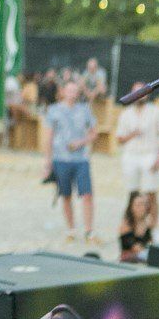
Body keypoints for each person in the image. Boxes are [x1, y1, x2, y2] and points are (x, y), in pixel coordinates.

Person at [42, 79, 99, 243]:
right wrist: (47, 161)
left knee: (87, 194)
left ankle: (89, 231)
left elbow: (94, 133)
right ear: (63, 92)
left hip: (81, 159)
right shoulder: (53, 110)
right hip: (61, 159)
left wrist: (81, 142)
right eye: (69, 90)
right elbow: (48, 137)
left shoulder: (85, 109)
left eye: (75, 90)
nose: (72, 94)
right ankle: (71, 230)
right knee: (66, 195)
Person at [115, 83, 159, 199]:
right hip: (131, 155)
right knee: (132, 193)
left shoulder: (156, 111)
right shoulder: (126, 114)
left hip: (150, 154)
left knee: (151, 193)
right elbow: (120, 139)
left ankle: (152, 212)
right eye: (136, 92)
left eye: (141, 92)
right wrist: (133, 134)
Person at [118, 190, 155, 263]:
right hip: (129, 261)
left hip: (144, 258)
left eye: (144, 204)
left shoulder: (148, 222)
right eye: (138, 205)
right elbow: (135, 248)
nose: (142, 208)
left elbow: (151, 243)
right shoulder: (126, 225)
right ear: (131, 207)